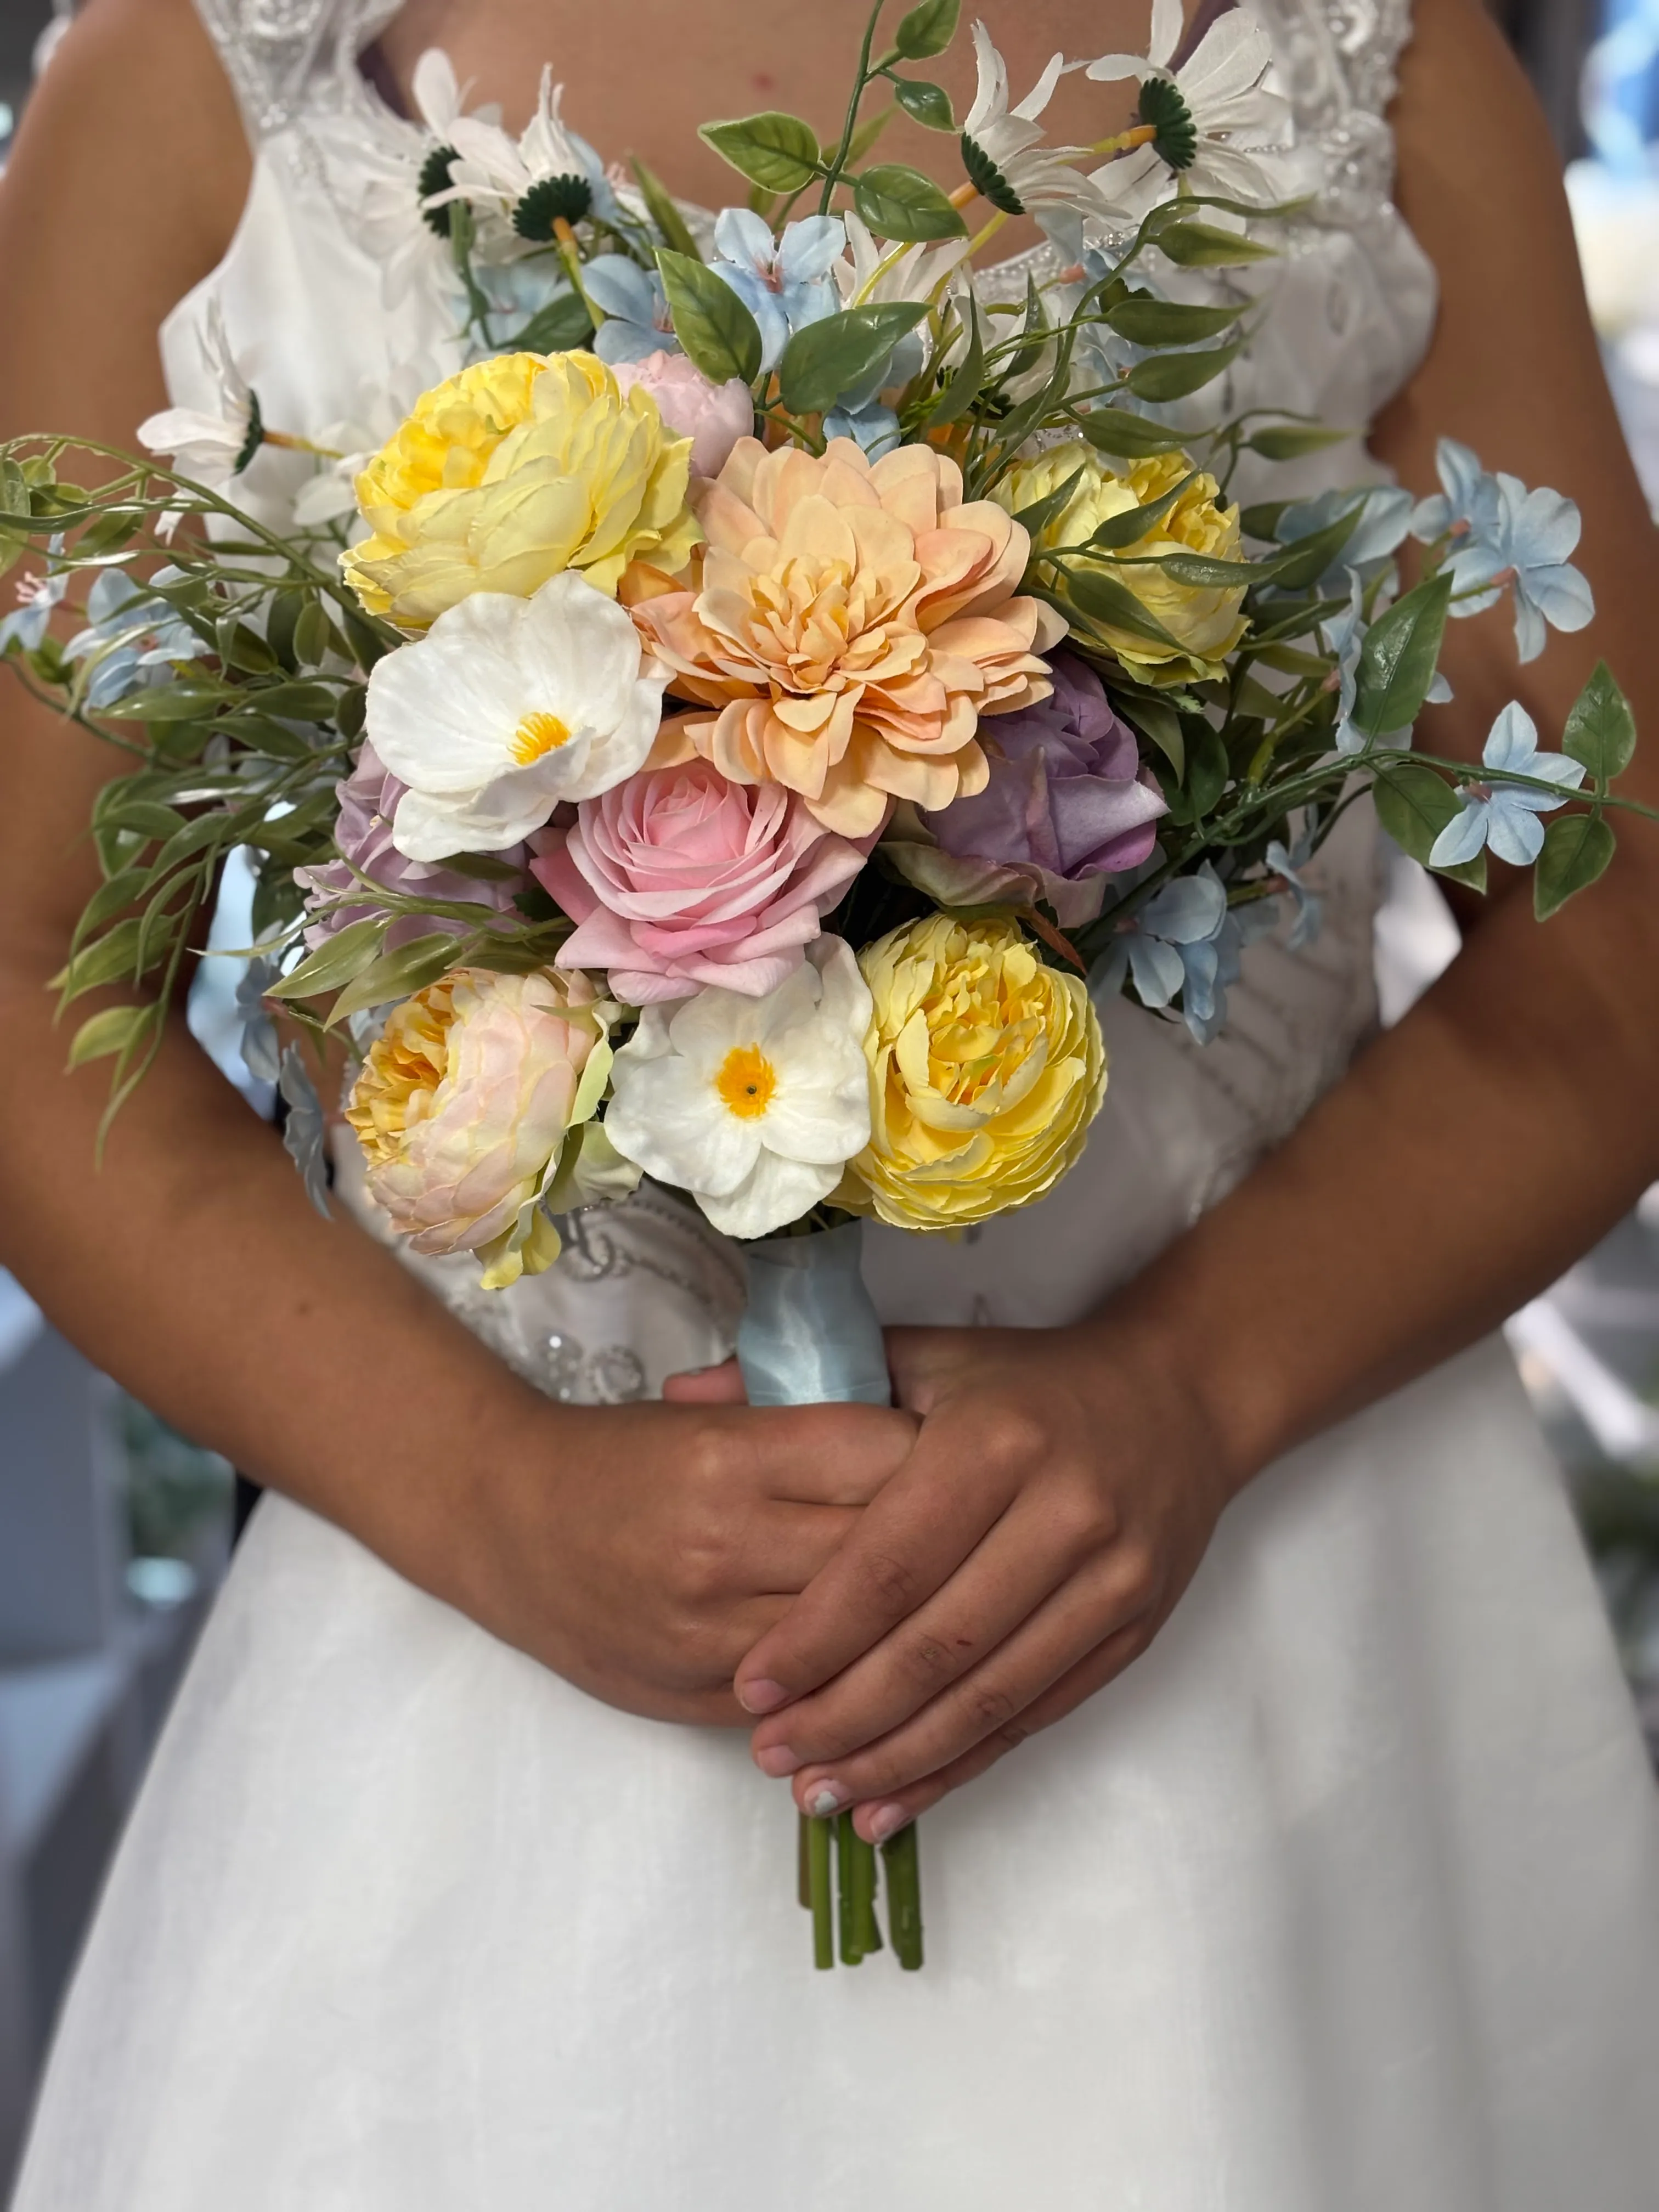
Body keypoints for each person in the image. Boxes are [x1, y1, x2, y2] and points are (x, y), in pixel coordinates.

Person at [4, 0, 1659, 2203]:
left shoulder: (1360, 57)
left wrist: (1188, 1390)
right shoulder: (212, 81)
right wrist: (497, 1496)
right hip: (503, 1690)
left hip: (1274, 1660)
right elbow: (28, 990)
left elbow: (1609, 973)